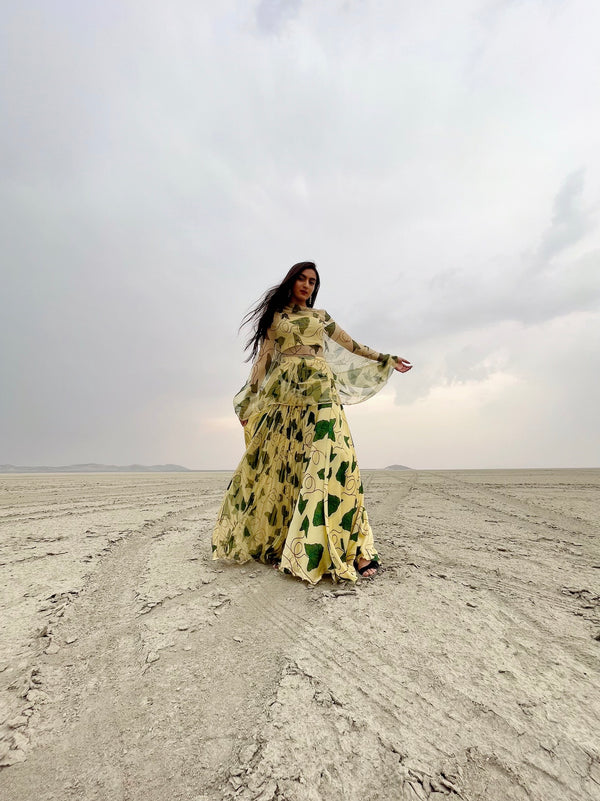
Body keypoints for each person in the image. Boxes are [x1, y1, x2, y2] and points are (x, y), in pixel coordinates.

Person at [212, 262, 412, 583]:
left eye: (312, 281)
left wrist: (384, 359)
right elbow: (262, 362)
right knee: (290, 465)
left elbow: (352, 345)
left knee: (338, 459)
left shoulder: (321, 317)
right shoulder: (276, 320)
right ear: (292, 282)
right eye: (302, 279)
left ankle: (355, 549)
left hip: (321, 390)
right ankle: (291, 545)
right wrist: (250, 400)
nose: (307, 285)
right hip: (286, 395)